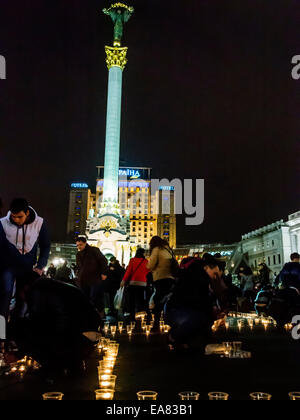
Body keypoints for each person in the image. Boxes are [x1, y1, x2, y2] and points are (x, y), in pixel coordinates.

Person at [0, 198, 50, 342]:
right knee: (4, 297)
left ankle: (15, 333)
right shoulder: (3, 223)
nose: (16, 220)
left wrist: (40, 266)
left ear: (27, 213)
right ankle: (1, 334)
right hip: (7, 266)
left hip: (27, 267)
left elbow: (45, 245)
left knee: (23, 300)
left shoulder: (39, 223)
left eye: (20, 217)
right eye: (14, 217)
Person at [164, 254, 227, 352]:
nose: (216, 277)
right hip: (176, 311)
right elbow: (198, 301)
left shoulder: (201, 276)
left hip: (181, 310)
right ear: (206, 268)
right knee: (199, 318)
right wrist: (212, 312)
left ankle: (186, 339)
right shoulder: (196, 277)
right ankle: (174, 336)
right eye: (215, 274)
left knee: (203, 317)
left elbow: (204, 302)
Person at [146, 236, 175, 330]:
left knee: (158, 300)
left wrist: (148, 265)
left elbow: (151, 264)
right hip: (170, 278)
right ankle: (170, 322)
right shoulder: (168, 249)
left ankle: (156, 324)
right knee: (167, 299)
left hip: (160, 278)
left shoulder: (156, 249)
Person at [76, 237, 108, 317]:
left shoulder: (94, 250)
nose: (79, 247)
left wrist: (103, 273)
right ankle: (88, 315)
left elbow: (103, 260)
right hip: (83, 280)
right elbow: (79, 267)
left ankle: (99, 315)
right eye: (77, 245)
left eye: (80, 244)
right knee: (85, 298)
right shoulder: (78, 254)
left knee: (95, 298)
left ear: (85, 243)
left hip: (95, 279)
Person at [120, 248, 149, 321]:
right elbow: (148, 272)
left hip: (133, 283)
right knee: (141, 300)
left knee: (132, 300)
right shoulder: (146, 261)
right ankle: (140, 316)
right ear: (143, 253)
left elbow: (128, 271)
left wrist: (123, 280)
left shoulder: (132, 260)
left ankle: (132, 316)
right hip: (143, 283)